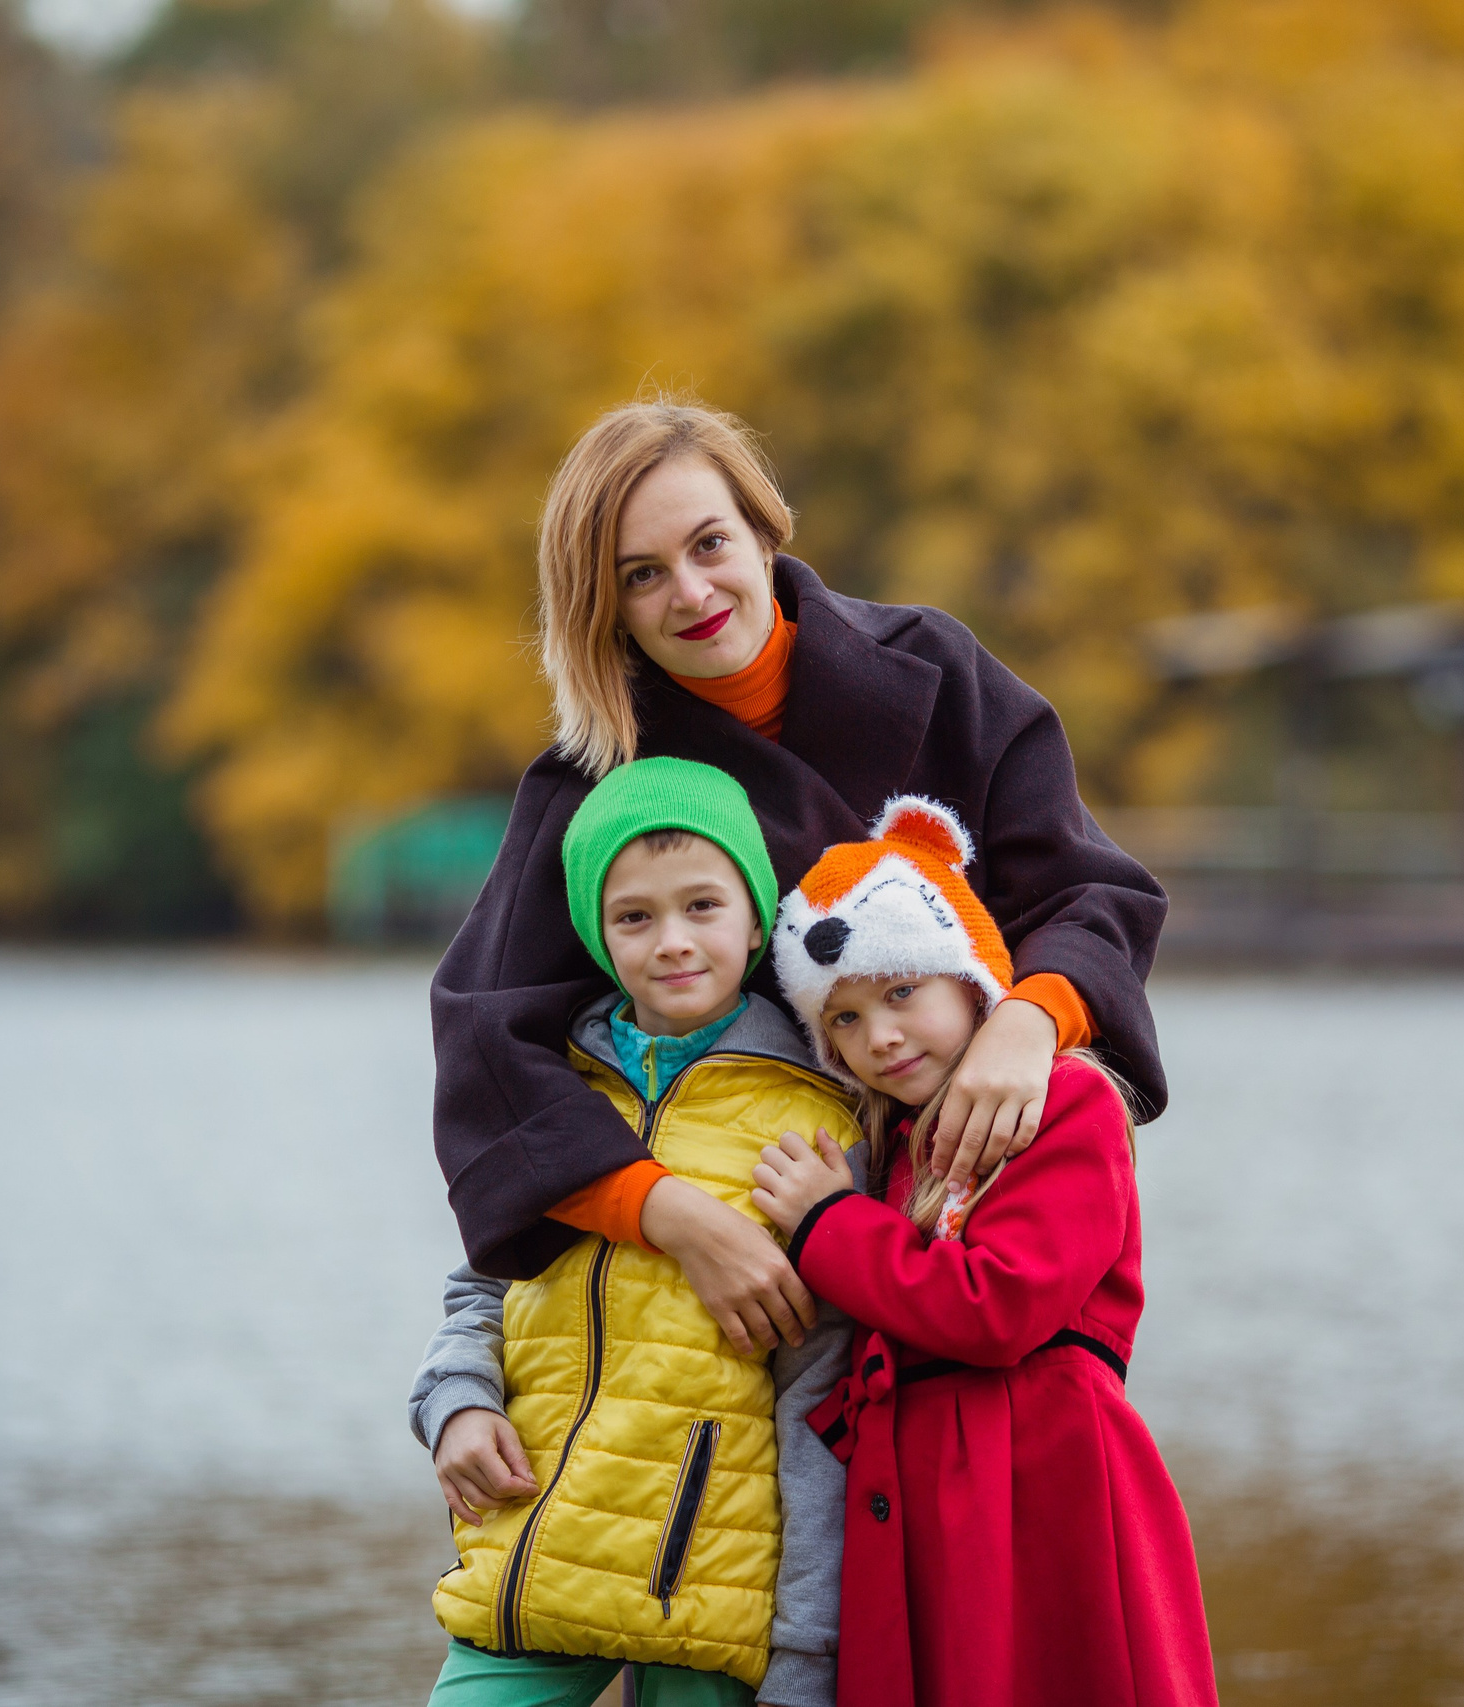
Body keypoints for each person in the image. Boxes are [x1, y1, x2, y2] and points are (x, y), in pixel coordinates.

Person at [433, 400, 1170, 1361]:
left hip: (976, 1219)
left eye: (709, 544)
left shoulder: (938, 669)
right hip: (755, 1282)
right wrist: (674, 1216)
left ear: (763, 523)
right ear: (601, 606)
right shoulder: (599, 785)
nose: (693, 593)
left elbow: (1089, 889)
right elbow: (489, 1046)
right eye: (642, 576)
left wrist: (1029, 1024)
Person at [416, 756, 867, 1706]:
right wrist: (456, 1400)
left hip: (707, 1598)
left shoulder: (816, 1121)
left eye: (703, 905)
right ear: (596, 932)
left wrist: (806, 1653)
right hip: (534, 1555)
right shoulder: (555, 1094)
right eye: (635, 916)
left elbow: (820, 1401)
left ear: (755, 919)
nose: (672, 940)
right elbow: (484, 1278)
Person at [749, 797, 1219, 1707]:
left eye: (899, 992)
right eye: (842, 1020)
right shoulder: (888, 1142)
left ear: (967, 980)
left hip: (1041, 1499)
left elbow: (998, 1307)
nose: (878, 1036)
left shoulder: (1068, 1104)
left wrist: (825, 1227)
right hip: (923, 1516)